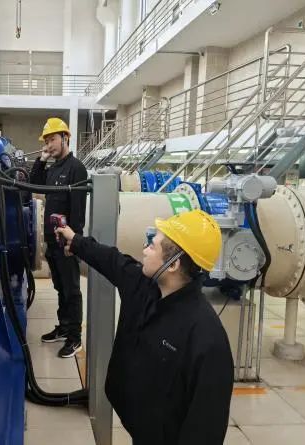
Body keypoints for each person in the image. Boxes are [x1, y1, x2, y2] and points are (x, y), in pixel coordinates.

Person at [56, 209, 234, 444]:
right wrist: (76, 241)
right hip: (138, 426)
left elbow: (207, 426)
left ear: (173, 264)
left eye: (152, 246)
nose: (144, 250)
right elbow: (112, 260)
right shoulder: (143, 286)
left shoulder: (205, 336)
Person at [30, 117, 88, 358]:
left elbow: (78, 210)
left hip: (66, 242)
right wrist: (41, 160)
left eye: (52, 139)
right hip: (52, 241)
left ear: (65, 138)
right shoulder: (53, 168)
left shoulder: (76, 168)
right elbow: (34, 185)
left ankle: (75, 338)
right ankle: (64, 327)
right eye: (46, 141)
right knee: (60, 286)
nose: (48, 145)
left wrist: (73, 243)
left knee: (72, 289)